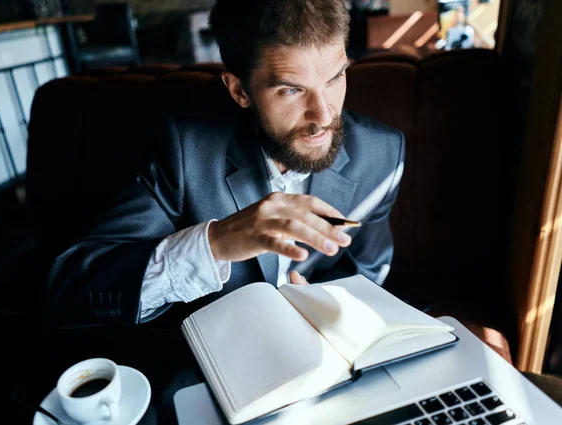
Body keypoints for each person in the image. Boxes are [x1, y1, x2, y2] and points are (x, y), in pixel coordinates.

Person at [45, 0, 405, 327]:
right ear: (239, 90)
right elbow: (73, 289)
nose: (324, 115)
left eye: (335, 77)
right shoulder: (183, 149)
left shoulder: (382, 154)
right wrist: (215, 243)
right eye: (291, 90)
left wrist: (324, 313)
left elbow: (365, 272)